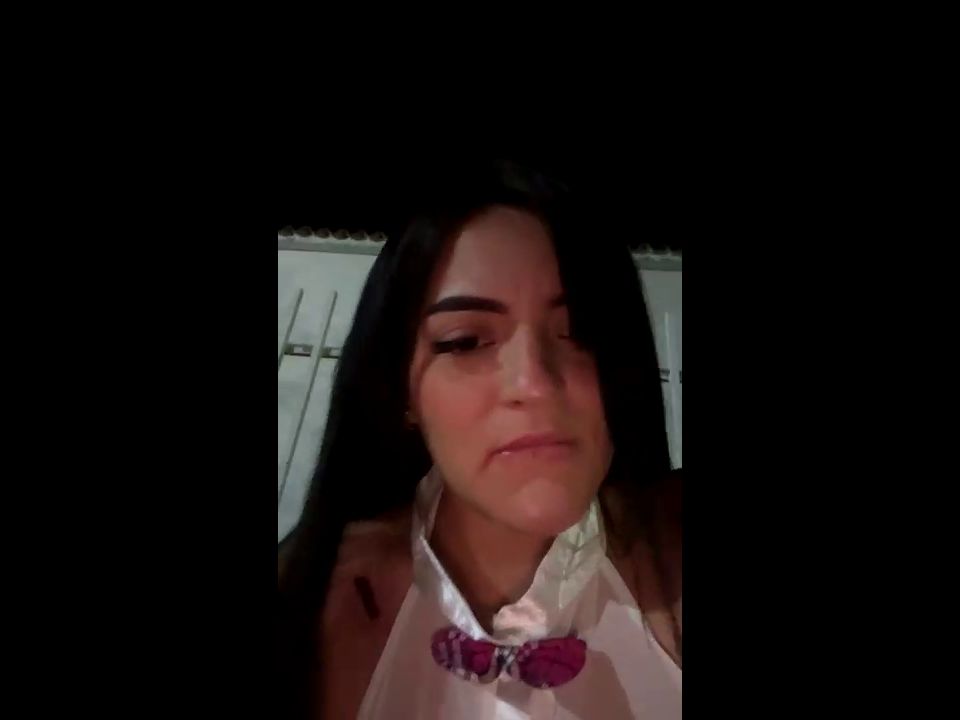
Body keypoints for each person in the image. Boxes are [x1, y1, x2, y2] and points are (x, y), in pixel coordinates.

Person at [277, 159, 682, 719]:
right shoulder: (308, 604)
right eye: (465, 341)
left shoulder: (668, 556)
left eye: (581, 331)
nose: (534, 383)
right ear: (401, 391)